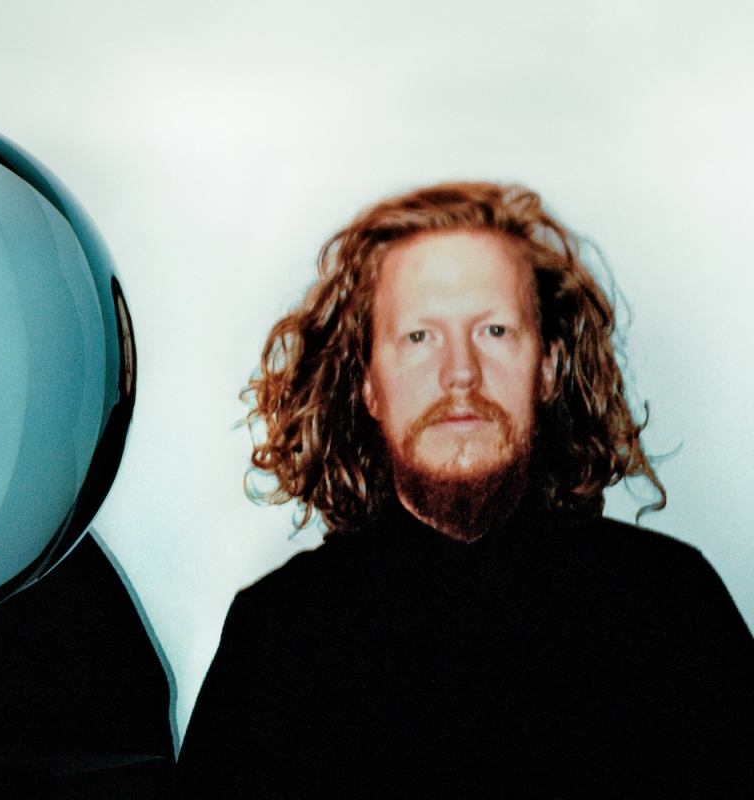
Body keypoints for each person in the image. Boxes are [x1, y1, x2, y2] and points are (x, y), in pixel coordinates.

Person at [175, 183, 754, 797]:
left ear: (549, 369)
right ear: (367, 384)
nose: (460, 373)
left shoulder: (673, 608)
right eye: (419, 337)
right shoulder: (278, 636)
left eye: (495, 331)